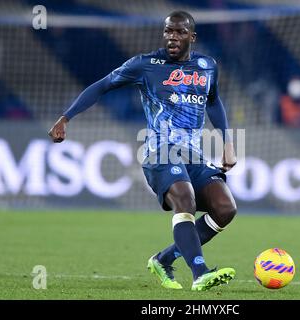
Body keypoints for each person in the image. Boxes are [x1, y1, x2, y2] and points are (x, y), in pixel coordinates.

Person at [48, 11, 238, 291]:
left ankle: (163, 259)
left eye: (180, 32)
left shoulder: (207, 66)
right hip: (160, 152)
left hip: (193, 155)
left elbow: (214, 101)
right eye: (168, 31)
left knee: (225, 208)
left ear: (192, 37)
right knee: (184, 199)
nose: (172, 37)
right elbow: (102, 86)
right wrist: (65, 117)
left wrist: (228, 143)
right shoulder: (145, 64)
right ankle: (200, 273)